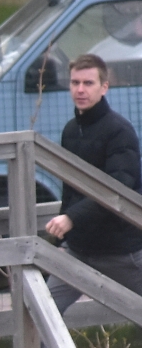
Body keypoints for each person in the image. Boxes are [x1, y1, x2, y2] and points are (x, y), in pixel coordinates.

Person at [44, 53, 142, 315]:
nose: (80, 90)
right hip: (79, 249)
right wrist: (63, 240)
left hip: (122, 250)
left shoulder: (120, 131)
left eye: (88, 83)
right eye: (75, 82)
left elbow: (118, 188)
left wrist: (71, 218)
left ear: (104, 87)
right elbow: (70, 189)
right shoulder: (70, 130)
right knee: (41, 311)